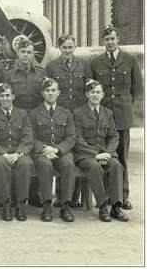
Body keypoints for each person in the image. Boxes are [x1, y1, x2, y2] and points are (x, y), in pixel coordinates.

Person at [91, 25, 142, 210]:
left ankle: (123, 196)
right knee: (103, 156)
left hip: (122, 117)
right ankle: (103, 197)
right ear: (103, 42)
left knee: (122, 157)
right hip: (103, 117)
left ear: (118, 39)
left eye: (113, 38)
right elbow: (92, 89)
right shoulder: (96, 63)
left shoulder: (130, 60)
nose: (110, 42)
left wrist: (128, 109)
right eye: (107, 39)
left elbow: (138, 89)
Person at [73, 80, 128, 222]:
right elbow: (77, 139)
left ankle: (116, 206)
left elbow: (114, 135)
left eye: (98, 92)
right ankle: (103, 205)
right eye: (92, 92)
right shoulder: (78, 113)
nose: (95, 95)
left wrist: (108, 153)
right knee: (94, 166)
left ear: (102, 95)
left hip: (105, 153)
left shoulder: (108, 113)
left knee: (116, 165)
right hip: (85, 155)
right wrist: (95, 154)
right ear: (87, 94)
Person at [46, 34, 90, 208]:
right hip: (60, 115)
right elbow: (48, 89)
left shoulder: (84, 65)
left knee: (77, 150)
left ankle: (75, 197)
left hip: (78, 114)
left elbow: (89, 88)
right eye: (64, 47)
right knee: (60, 149)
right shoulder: (51, 67)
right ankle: (60, 195)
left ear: (75, 47)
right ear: (59, 49)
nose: (68, 51)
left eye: (70, 47)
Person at [6, 36, 46, 207]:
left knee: (35, 154)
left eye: (29, 52)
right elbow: (5, 97)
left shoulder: (42, 73)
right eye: (23, 52)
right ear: (17, 53)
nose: (26, 55)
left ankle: (34, 194)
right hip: (16, 119)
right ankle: (15, 194)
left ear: (33, 54)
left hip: (36, 119)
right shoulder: (8, 74)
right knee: (18, 154)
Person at [29, 78, 76, 222]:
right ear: (42, 93)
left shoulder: (66, 113)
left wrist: (57, 150)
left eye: (53, 90)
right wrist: (45, 149)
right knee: (45, 165)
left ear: (58, 93)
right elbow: (31, 137)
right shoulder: (34, 113)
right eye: (47, 91)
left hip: (61, 151)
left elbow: (71, 137)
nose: (50, 93)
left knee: (68, 164)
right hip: (42, 151)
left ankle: (65, 206)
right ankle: (47, 205)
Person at [0, 83, 34, 221]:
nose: (5, 99)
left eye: (8, 95)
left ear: (13, 96)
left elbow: (27, 137)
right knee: (0, 164)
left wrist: (18, 153)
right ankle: (6, 204)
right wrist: (5, 153)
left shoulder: (23, 114)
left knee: (25, 164)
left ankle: (21, 205)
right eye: (2, 96)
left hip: (19, 153)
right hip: (0, 153)